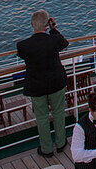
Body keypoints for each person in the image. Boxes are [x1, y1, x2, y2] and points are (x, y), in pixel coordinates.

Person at [16, 9, 69, 157]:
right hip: (56, 82)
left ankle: (46, 149)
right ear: (47, 25)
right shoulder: (54, 40)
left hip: (36, 86)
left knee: (41, 117)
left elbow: (23, 55)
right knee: (58, 113)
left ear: (32, 25)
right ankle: (60, 143)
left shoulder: (23, 46)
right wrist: (53, 30)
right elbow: (64, 43)